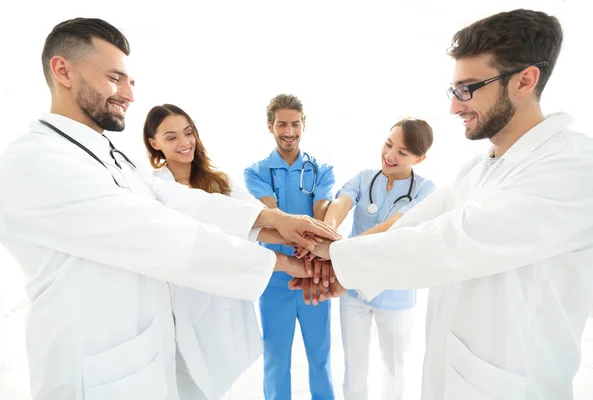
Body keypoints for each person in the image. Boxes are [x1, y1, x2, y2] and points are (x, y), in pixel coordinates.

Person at [0, 18, 339, 400]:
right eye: (115, 78)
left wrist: (274, 221)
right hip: (93, 373)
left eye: (129, 81)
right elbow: (159, 231)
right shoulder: (35, 160)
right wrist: (290, 262)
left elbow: (173, 200)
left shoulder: (110, 156)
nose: (128, 94)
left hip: (143, 360)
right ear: (63, 70)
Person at [293, 9, 593, 400]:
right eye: (454, 90)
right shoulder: (479, 167)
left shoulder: (578, 166)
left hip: (514, 384)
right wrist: (332, 255)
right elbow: (415, 223)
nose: (455, 107)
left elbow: (452, 240)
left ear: (525, 80)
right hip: (455, 371)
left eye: (468, 88)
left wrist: (337, 260)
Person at [143, 103, 297, 398]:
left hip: (222, 295)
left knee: (220, 376)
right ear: (154, 143)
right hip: (183, 297)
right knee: (188, 379)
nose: (184, 143)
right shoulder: (153, 186)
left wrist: (303, 242)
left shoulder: (218, 181)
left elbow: (250, 217)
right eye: (171, 137)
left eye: (188, 133)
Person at [324, 118, 435, 399]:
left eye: (403, 152)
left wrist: (344, 250)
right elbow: (341, 203)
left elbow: (395, 226)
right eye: (388, 144)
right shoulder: (364, 178)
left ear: (420, 158)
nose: (390, 155)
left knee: (394, 369)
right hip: (353, 291)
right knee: (354, 367)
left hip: (394, 294)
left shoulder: (425, 190)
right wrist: (328, 230)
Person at [244, 94, 335, 400]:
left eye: (295, 124)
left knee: (320, 358)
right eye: (282, 124)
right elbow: (274, 217)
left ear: (303, 125)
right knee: (276, 361)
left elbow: (322, 212)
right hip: (275, 278)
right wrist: (307, 239)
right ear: (270, 126)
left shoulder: (321, 169)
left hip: (315, 273)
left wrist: (314, 246)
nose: (289, 131)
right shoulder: (255, 172)